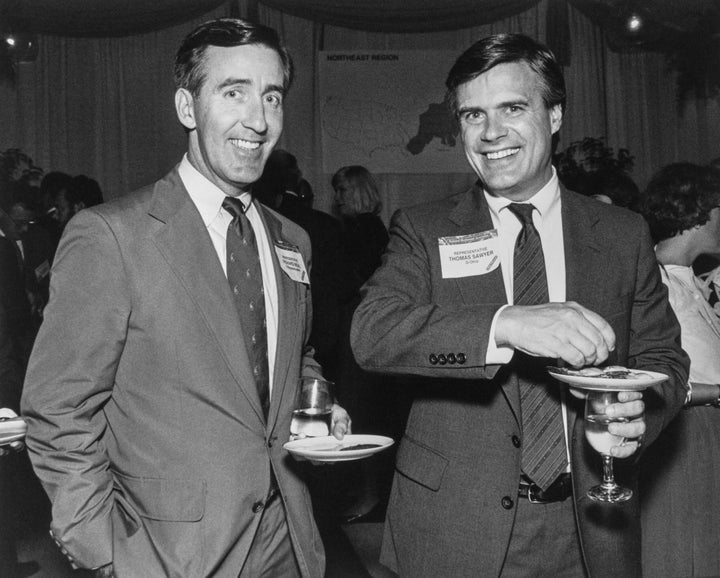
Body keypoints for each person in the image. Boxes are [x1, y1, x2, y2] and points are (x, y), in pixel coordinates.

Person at [21, 18, 350, 578]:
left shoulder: (291, 240)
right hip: (164, 555)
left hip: (288, 540)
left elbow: (284, 356)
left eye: (272, 95)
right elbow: (58, 411)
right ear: (187, 107)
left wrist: (315, 401)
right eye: (233, 92)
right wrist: (103, 548)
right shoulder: (112, 237)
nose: (258, 118)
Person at [350, 33, 688, 577]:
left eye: (512, 107)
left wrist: (637, 418)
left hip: (590, 526)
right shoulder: (425, 229)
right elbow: (373, 333)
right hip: (453, 530)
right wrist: (505, 324)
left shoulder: (623, 235)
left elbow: (665, 360)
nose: (490, 134)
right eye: (472, 115)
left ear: (554, 116)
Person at [635, 162, 720, 578]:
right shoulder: (655, 283)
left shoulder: (691, 281)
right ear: (702, 211)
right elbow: (651, 377)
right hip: (683, 439)